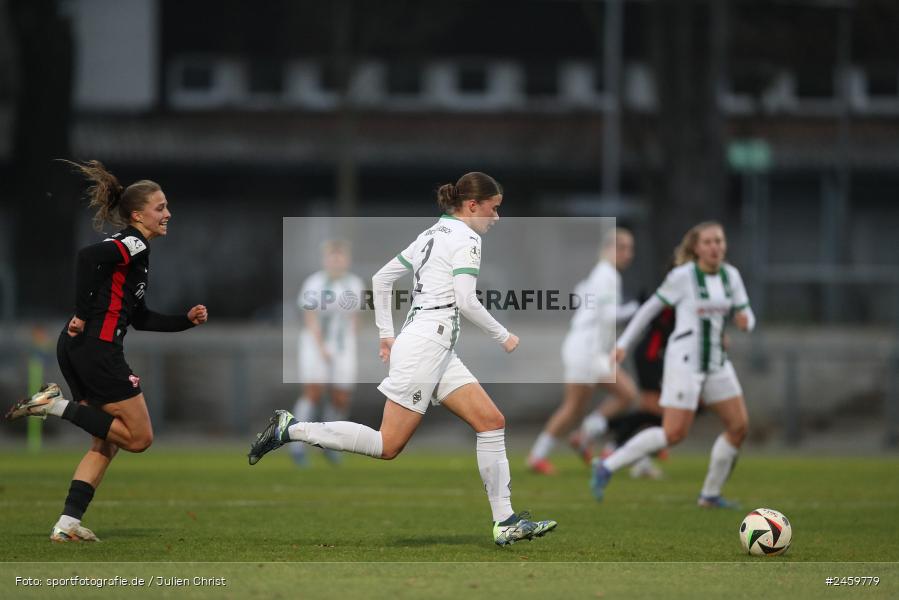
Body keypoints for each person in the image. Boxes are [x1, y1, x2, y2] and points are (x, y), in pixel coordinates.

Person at [248, 172, 557, 546]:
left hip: (431, 346)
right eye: (493, 209)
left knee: (491, 422)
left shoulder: (431, 233)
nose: (496, 218)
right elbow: (465, 299)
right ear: (472, 206)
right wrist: (502, 335)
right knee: (387, 445)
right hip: (427, 346)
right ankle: (292, 429)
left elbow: (381, 279)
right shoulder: (467, 238)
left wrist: (386, 335)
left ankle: (505, 521)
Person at [4, 160, 208, 541]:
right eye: (160, 207)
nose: (168, 213)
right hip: (96, 348)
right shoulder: (135, 241)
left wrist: (185, 320)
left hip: (80, 347)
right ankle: (55, 405)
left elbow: (141, 317)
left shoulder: (138, 256)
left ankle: (67, 526)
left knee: (106, 442)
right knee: (139, 439)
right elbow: (86, 257)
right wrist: (82, 312)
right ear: (138, 214)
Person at [591, 221, 755, 508]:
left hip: (716, 362)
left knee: (738, 426)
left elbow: (746, 314)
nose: (715, 246)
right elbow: (648, 309)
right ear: (696, 248)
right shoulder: (683, 276)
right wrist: (623, 344)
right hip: (685, 362)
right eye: (708, 242)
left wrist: (746, 322)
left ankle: (710, 495)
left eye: (719, 240)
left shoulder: (731, 276)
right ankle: (608, 465)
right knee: (674, 433)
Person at [527, 228, 639, 475]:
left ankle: (583, 435)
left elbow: (584, 298)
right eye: (622, 248)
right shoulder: (607, 275)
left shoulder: (601, 275)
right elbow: (608, 314)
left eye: (630, 248)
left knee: (626, 395)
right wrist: (638, 310)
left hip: (592, 350)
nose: (627, 254)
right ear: (609, 249)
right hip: (586, 350)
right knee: (573, 407)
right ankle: (539, 455)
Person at [292, 240, 364, 466]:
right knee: (313, 392)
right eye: (332, 257)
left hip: (342, 346)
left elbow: (355, 317)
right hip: (315, 345)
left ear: (346, 259)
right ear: (326, 259)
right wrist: (321, 346)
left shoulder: (354, 283)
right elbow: (310, 316)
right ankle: (297, 445)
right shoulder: (314, 283)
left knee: (341, 396)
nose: (336, 261)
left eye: (340, 256)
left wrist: (349, 343)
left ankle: (329, 443)